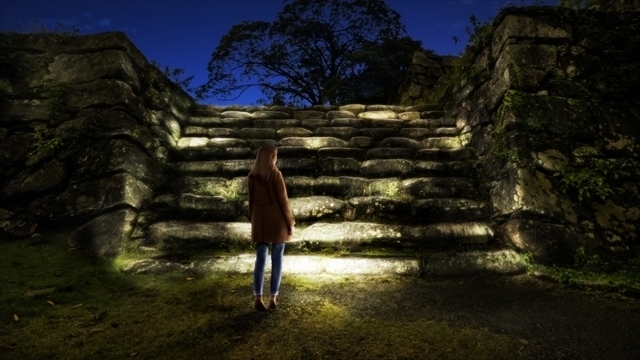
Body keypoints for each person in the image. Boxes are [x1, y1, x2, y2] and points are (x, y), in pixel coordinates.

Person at [247, 144, 295, 311]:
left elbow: (251, 203)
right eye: (275, 156)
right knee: (277, 259)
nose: (276, 159)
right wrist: (290, 223)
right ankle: (273, 297)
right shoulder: (275, 174)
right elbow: (283, 201)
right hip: (277, 221)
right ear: (271, 157)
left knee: (260, 259)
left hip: (259, 221)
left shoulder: (252, 176)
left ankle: (258, 297)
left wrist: (254, 221)